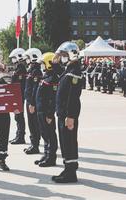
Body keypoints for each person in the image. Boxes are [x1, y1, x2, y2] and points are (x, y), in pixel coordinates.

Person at [53, 41, 82, 183]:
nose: (62, 57)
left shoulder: (75, 72)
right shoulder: (68, 70)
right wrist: (55, 62)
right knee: (64, 142)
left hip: (68, 115)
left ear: (71, 55)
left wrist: (70, 116)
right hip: (62, 114)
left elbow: (73, 98)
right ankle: (67, 168)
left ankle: (71, 173)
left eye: (64, 55)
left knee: (69, 142)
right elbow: (59, 74)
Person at [35, 52, 59, 167]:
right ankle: (46, 154)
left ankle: (51, 157)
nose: (41, 66)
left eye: (43, 64)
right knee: (44, 133)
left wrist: (50, 114)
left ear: (49, 64)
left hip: (46, 112)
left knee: (50, 134)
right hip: (40, 110)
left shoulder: (53, 78)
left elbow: (53, 98)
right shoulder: (46, 76)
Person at [23, 48, 43, 155]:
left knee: (34, 124)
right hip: (29, 101)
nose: (26, 60)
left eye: (28, 58)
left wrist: (32, 103)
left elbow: (35, 89)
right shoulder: (31, 70)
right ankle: (33, 144)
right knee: (31, 124)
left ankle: (35, 146)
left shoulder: (36, 71)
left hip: (32, 102)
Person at [8, 48, 27, 145]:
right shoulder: (18, 68)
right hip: (17, 96)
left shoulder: (21, 69)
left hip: (19, 96)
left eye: (13, 58)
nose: (12, 60)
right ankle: (18, 135)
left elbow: (16, 83)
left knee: (19, 116)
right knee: (17, 116)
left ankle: (21, 137)